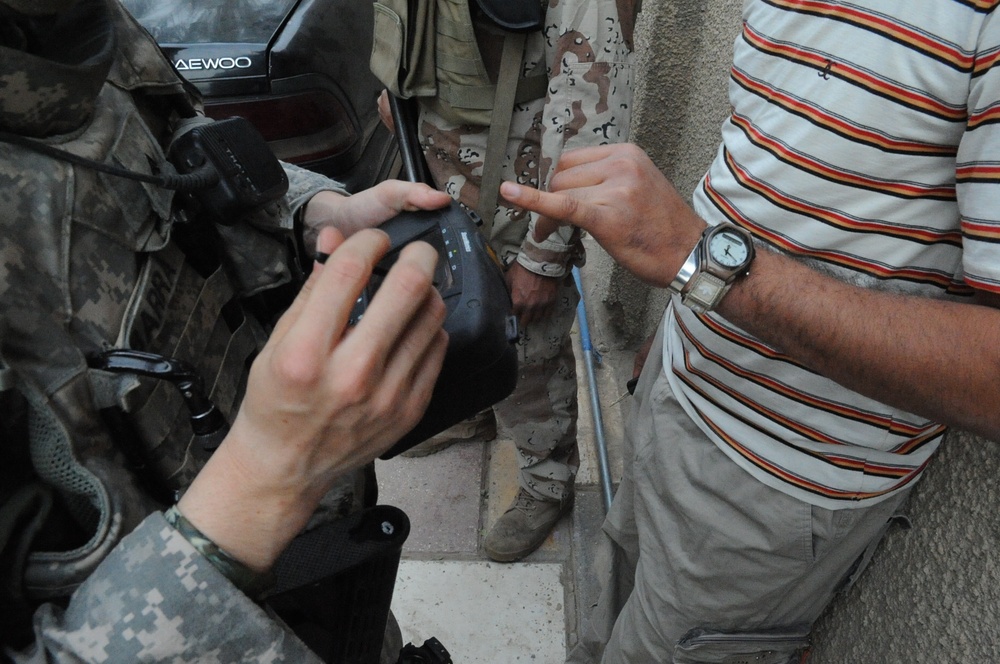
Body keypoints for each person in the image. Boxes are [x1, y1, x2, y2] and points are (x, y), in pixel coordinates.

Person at [501, 1, 1000, 661]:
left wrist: (703, 266)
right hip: (675, 387)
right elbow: (768, 148)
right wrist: (686, 317)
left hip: (780, 479)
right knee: (615, 598)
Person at [0, 0, 453, 660]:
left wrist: (313, 211)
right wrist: (261, 487)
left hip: (321, 566)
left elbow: (178, 143)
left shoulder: (76, 27)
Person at [375, 0, 636, 563]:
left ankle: (548, 480)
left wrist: (543, 257)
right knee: (457, 313)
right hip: (440, 177)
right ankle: (473, 410)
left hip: (521, 192)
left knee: (530, 352)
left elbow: (589, 126)